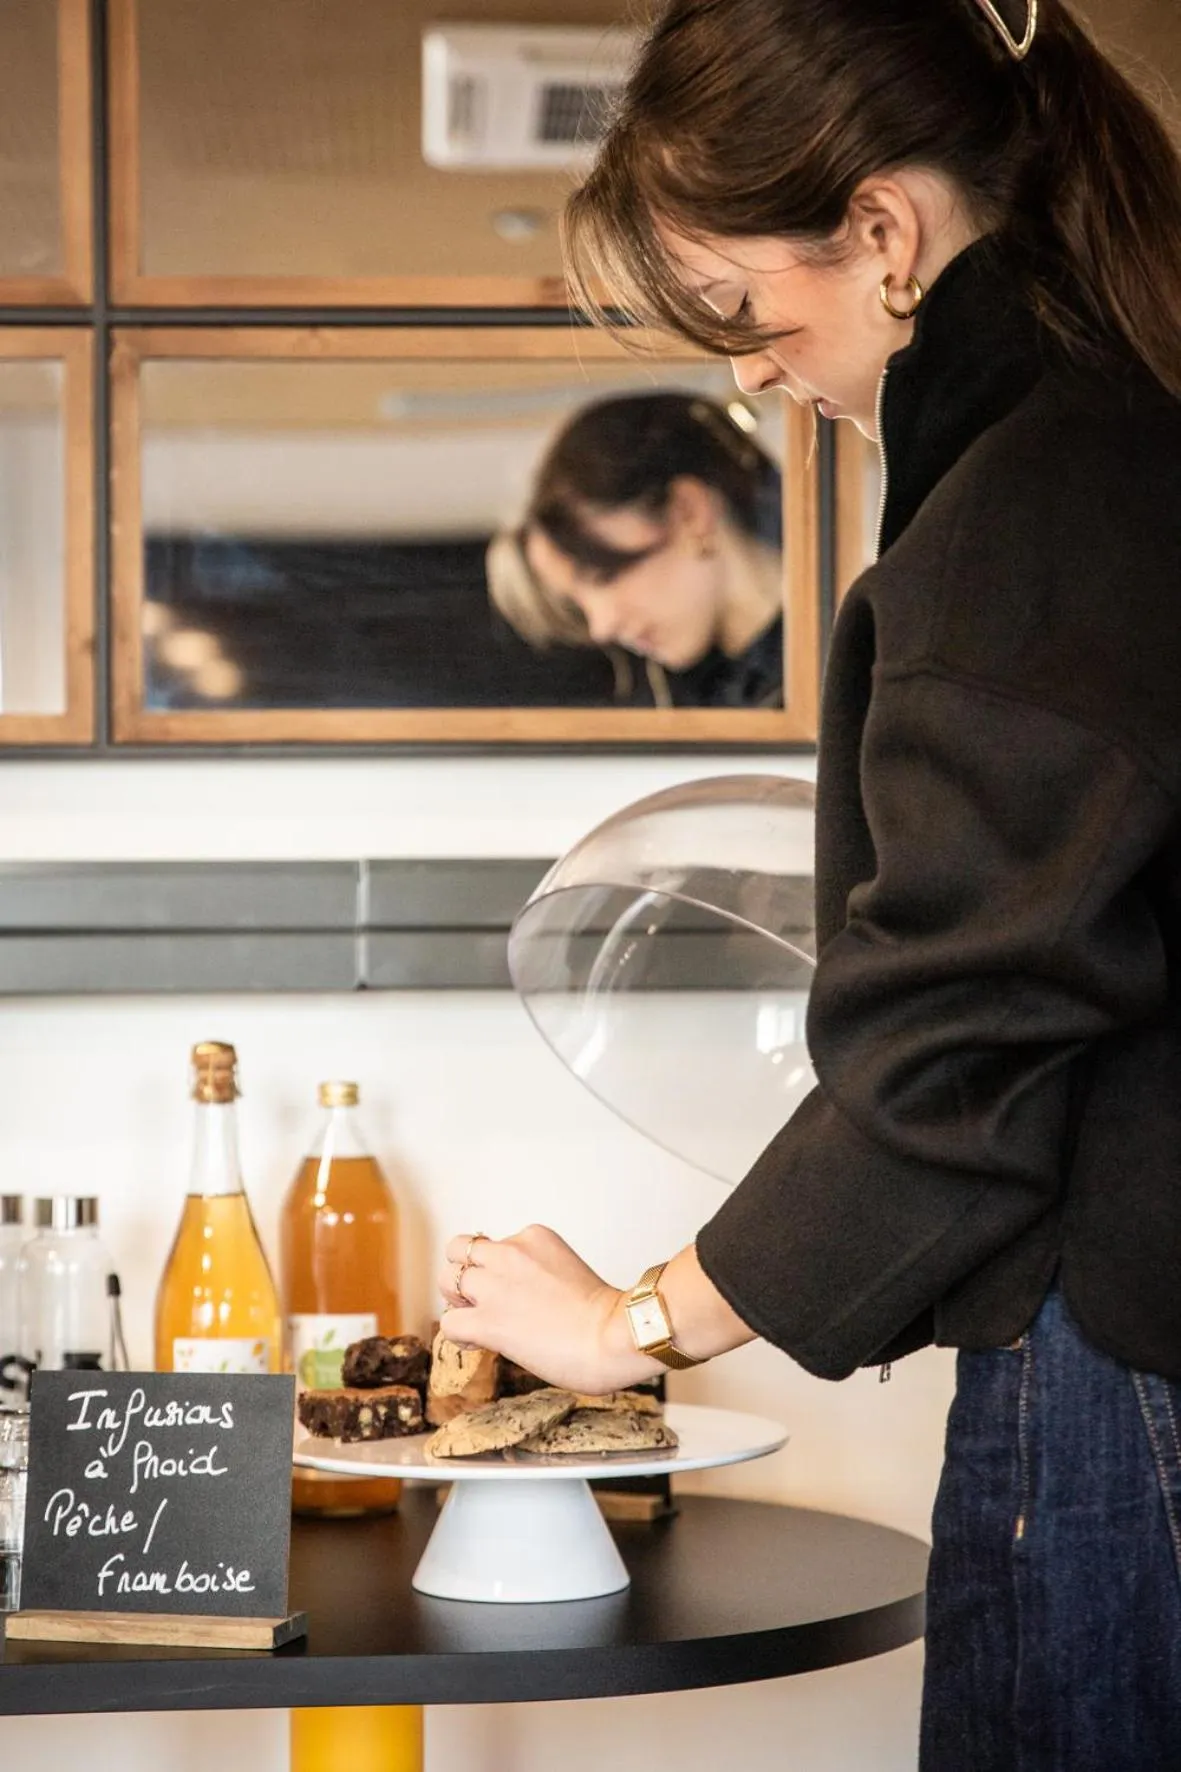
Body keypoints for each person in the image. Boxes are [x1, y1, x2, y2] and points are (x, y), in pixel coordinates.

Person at [439, 0, 1181, 1764]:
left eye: (738, 314)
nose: (748, 376)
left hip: (1127, 1366)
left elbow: (960, 1049)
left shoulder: (1026, 518)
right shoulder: (1127, 437)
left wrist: (637, 1322)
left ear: (880, 232)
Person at [487, 391, 784, 707]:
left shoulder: (834, 658)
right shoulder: (689, 707)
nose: (602, 627)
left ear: (690, 512)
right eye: (578, 604)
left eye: (604, 575)